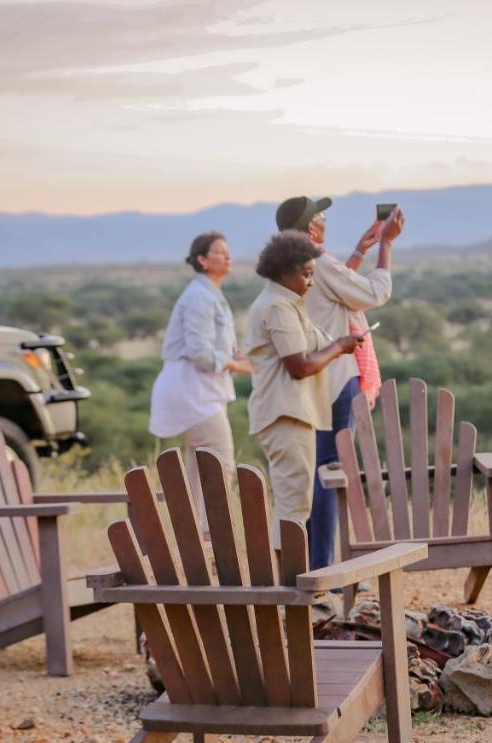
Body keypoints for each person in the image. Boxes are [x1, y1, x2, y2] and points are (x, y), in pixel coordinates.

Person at [273, 195, 406, 569]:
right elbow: (373, 294)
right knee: (330, 472)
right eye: (321, 217)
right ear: (311, 228)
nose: (326, 221)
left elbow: (332, 300)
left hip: (305, 383)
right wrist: (387, 245)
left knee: (313, 470)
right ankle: (325, 567)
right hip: (335, 381)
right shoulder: (319, 262)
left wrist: (359, 254)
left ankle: (312, 562)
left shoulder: (285, 267)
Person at [244, 230, 365, 545]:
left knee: (296, 500)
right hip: (284, 413)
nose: (312, 282)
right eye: (307, 274)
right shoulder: (278, 307)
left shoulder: (289, 302)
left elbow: (317, 341)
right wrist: (339, 347)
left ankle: (290, 582)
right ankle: (287, 585)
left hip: (294, 413)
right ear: (286, 272)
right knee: (293, 504)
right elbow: (299, 366)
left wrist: (344, 339)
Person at [148, 231, 250, 533]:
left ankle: (194, 541)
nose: (227, 256)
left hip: (198, 390)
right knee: (221, 465)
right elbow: (201, 353)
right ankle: (212, 538)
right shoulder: (199, 297)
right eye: (219, 252)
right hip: (193, 391)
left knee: (198, 469)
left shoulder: (210, 294)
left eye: (227, 251)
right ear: (202, 260)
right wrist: (238, 365)